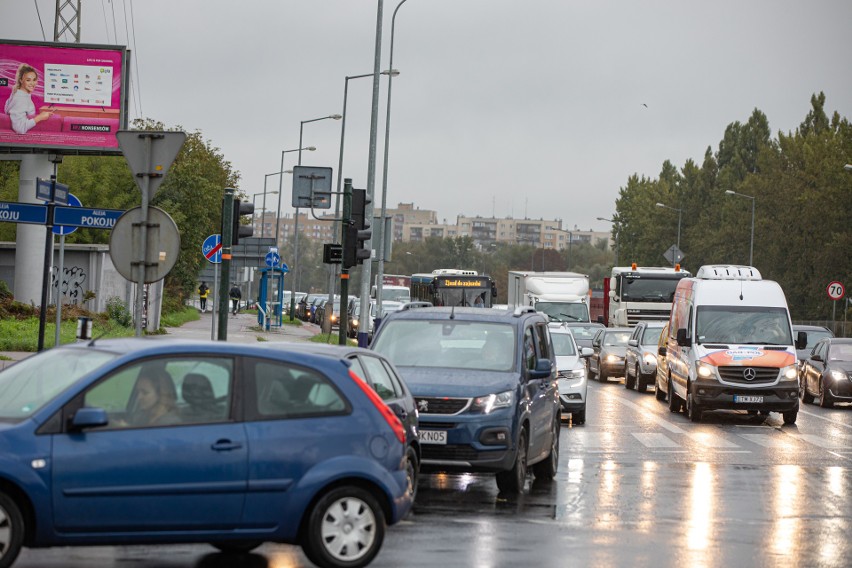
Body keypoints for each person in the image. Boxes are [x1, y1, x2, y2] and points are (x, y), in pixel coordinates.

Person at [4, 64, 53, 134]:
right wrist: (39, 117)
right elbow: (20, 129)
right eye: (28, 80)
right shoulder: (20, 98)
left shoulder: (20, 94)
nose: (32, 83)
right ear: (21, 80)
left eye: (34, 80)